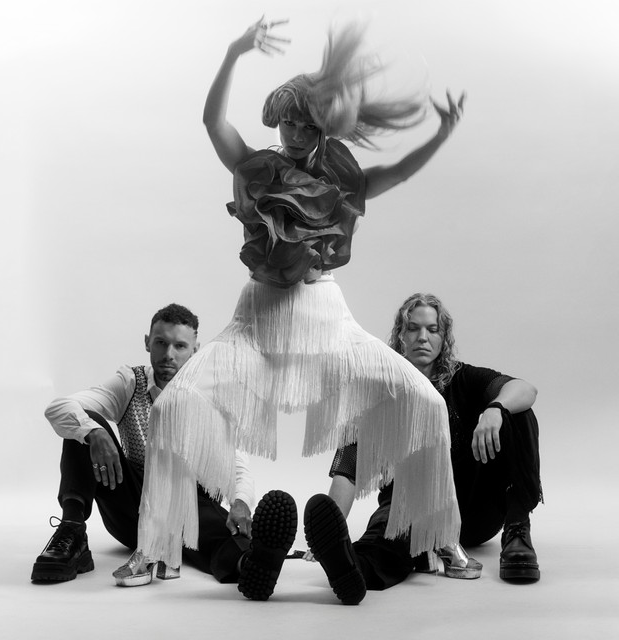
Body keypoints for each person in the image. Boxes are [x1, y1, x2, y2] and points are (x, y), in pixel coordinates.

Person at [118, 18, 467, 602]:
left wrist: (440, 135)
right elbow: (212, 123)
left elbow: (396, 173)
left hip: (326, 319)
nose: (295, 133)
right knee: (174, 405)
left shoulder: (340, 176)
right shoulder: (256, 167)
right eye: (287, 122)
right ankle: (153, 547)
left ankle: (441, 539)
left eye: (306, 124)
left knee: (427, 403)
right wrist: (234, 52)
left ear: (323, 126)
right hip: (257, 319)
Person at [311, 292, 541, 599]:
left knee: (517, 412)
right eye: (413, 328)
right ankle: (350, 568)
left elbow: (526, 389)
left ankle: (517, 531)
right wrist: (333, 528)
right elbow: (349, 466)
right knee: (385, 536)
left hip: (473, 509)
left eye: (432, 329)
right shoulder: (381, 390)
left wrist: (495, 409)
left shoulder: (463, 378)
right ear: (400, 335)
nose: (422, 337)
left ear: (443, 337)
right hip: (411, 507)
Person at [32, 303, 255, 586]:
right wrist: (93, 433)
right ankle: (72, 531)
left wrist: (241, 501)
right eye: (161, 343)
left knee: (225, 532)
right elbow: (59, 407)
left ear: (194, 350)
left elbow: (236, 460)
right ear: (148, 342)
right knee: (84, 423)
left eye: (180, 346)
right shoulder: (130, 382)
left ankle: (252, 564)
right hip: (132, 509)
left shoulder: (210, 395)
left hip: (188, 509)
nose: (169, 354)